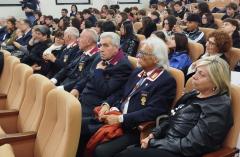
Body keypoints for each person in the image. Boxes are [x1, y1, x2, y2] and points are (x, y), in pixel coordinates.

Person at [116, 56, 233, 157]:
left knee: (125, 154)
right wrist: (154, 134)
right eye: (196, 71)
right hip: (168, 142)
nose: (194, 77)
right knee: (123, 152)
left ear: (215, 82)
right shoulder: (195, 93)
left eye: (201, 74)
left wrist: (154, 143)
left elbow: (192, 145)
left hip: (182, 152)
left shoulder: (218, 107)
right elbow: (171, 117)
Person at [92, 35, 177, 157]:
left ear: (156, 59)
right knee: (84, 128)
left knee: (101, 151)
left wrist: (121, 119)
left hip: (134, 128)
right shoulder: (138, 71)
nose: (138, 56)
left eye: (143, 53)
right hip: (114, 117)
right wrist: (107, 104)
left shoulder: (165, 81)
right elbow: (122, 92)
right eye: (140, 52)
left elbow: (153, 111)